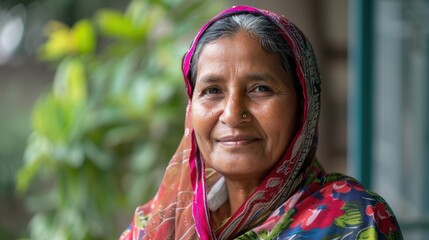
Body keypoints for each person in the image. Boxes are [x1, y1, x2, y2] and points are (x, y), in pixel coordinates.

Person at [119, 5, 403, 240]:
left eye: (260, 89)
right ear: (191, 109)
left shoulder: (356, 223)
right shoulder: (152, 227)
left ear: (303, 105)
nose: (231, 114)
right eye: (212, 91)